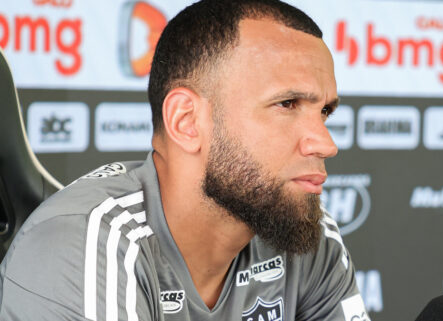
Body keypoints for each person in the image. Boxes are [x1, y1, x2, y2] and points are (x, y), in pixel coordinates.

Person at [0, 0, 369, 320]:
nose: (325, 143)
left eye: (324, 112)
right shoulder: (88, 247)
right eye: (287, 104)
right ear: (186, 122)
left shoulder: (307, 235)